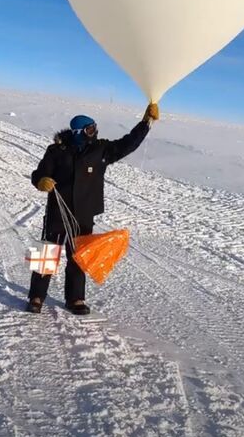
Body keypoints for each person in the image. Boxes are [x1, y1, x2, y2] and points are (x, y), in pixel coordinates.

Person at [27, 102, 159, 314]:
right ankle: (36, 296)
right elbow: (39, 173)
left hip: (83, 214)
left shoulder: (101, 150)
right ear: (78, 132)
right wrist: (41, 180)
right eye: (90, 129)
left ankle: (75, 299)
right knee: (47, 254)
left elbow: (128, 144)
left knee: (79, 257)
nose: (94, 132)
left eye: (95, 128)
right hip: (57, 213)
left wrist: (146, 123)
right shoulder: (56, 151)